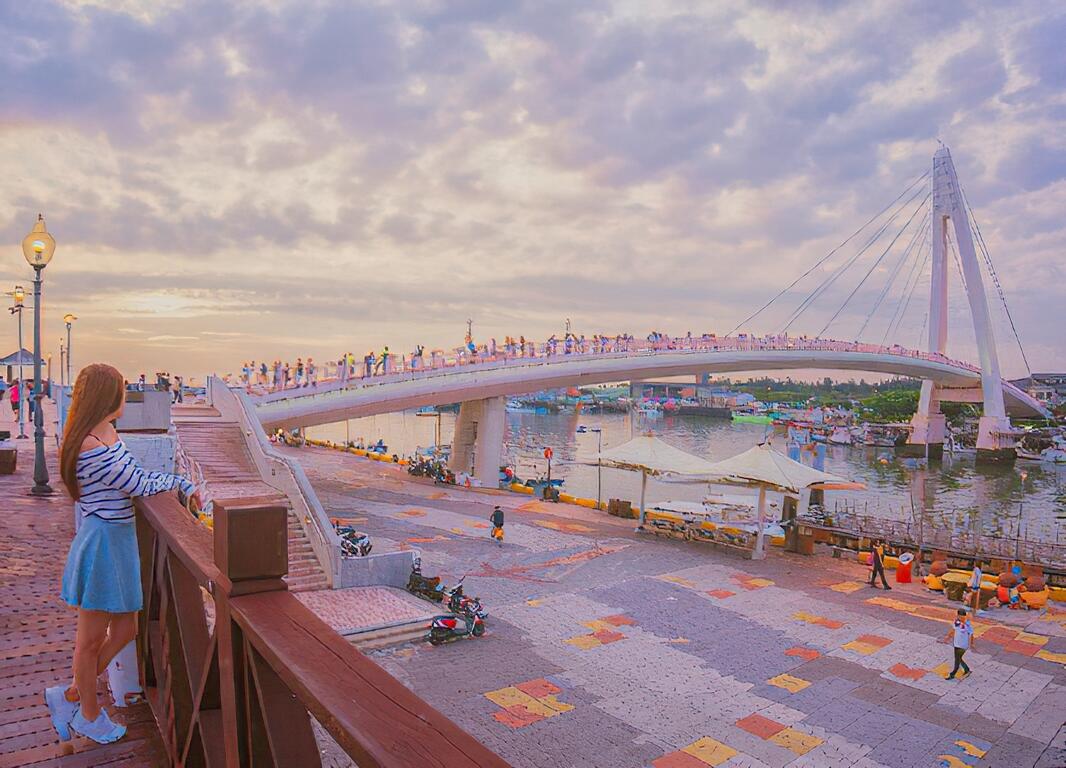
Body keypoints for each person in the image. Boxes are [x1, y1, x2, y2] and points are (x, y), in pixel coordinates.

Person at [48, 363, 199, 744]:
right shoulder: (89, 444)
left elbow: (136, 475)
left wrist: (176, 481)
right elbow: (135, 482)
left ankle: (68, 695)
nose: (125, 396)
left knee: (127, 627)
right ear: (106, 396)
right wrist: (181, 482)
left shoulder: (107, 432)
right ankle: (88, 713)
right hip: (103, 544)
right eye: (120, 389)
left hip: (119, 539)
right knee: (90, 641)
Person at [945, 608, 976, 679]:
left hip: (963, 645)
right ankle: (967, 669)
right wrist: (948, 637)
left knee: (957, 660)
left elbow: (971, 634)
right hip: (956, 644)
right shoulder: (956, 622)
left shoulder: (967, 625)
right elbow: (953, 630)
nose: (960, 618)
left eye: (962, 617)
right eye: (959, 616)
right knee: (959, 658)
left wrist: (971, 643)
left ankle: (952, 674)